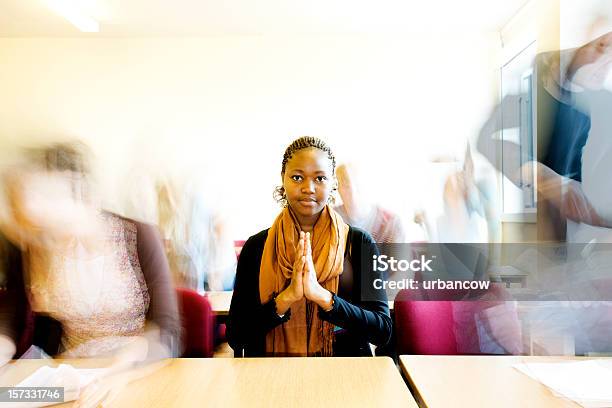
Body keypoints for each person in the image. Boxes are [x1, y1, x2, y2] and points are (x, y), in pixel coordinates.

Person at [0, 142, 181, 405]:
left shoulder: (138, 235)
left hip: (138, 370)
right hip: (70, 379)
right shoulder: (34, 244)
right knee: (7, 399)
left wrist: (122, 371)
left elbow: (167, 329)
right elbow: (12, 315)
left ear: (81, 193)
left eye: (49, 198)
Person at [227, 136, 391, 357]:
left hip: (345, 376)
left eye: (320, 178)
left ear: (333, 182)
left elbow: (382, 331)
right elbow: (236, 336)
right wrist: (286, 297)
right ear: (282, 180)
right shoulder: (257, 246)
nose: (308, 188)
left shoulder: (358, 243)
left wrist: (324, 298)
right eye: (297, 177)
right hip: (269, 376)